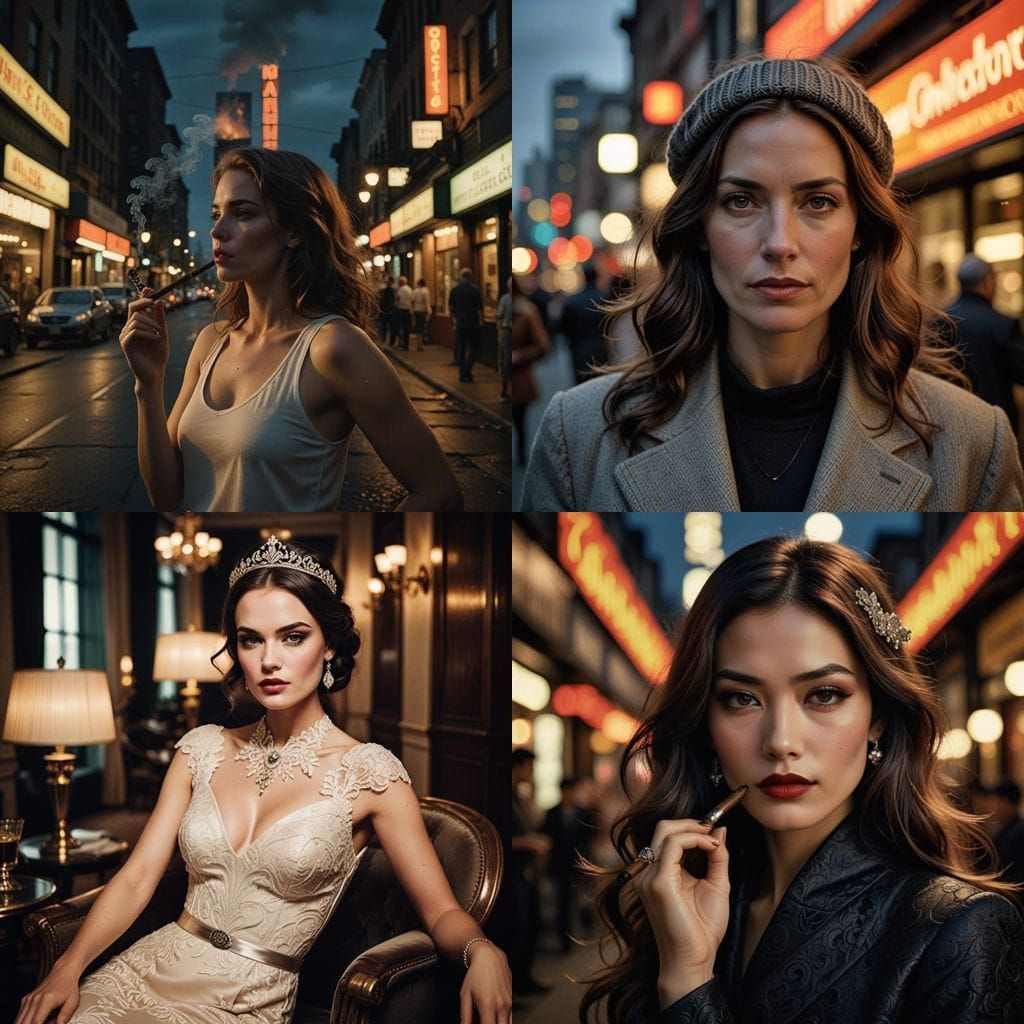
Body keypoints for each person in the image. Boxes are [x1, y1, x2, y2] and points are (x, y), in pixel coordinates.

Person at [18, 536, 511, 1024]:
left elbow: (441, 912)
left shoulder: (370, 773)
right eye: (250, 639)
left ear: (329, 645)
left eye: (293, 637)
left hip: (243, 1002)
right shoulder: (200, 749)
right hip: (145, 968)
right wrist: (67, 968)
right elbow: (137, 877)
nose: (268, 660)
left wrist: (482, 950)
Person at [522, 55, 1024, 511]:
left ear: (860, 228)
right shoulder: (578, 436)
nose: (780, 242)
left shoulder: (974, 441)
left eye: (819, 202)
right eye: (741, 201)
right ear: (699, 227)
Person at [578, 537, 1023, 1024]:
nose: (781, 741)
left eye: (825, 695)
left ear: (877, 717)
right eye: (742, 698)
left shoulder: (960, 927)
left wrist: (687, 983)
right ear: (705, 722)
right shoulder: (683, 899)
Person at [119, 148, 462, 512]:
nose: (218, 231)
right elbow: (165, 495)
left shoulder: (334, 347)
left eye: (243, 214)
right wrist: (148, 384)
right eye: (216, 215)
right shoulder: (211, 341)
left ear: (294, 231)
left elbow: (439, 493)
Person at [936, 255, 1024, 435]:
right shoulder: (1002, 324)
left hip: (951, 419)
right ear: (987, 281)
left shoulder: (939, 320)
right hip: (996, 421)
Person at [511, 748, 552, 998]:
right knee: (518, 926)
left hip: (527, 870)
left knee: (529, 925)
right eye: (529, 767)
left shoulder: (521, 796)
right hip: (514, 871)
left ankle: (525, 978)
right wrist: (527, 842)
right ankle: (515, 984)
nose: (531, 772)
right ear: (518, 766)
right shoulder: (509, 797)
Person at [543, 778, 596, 951]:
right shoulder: (552, 812)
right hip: (560, 865)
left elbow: (590, 838)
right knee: (563, 903)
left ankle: (587, 928)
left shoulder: (584, 812)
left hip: (579, 864)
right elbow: (547, 837)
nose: (568, 795)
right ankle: (565, 940)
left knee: (582, 900)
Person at [511, 278, 551, 466]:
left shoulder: (525, 311)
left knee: (519, 420)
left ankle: (521, 455)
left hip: (518, 377)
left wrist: (520, 355)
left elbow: (542, 345)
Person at [557, 263, 609, 385]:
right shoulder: (605, 298)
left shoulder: (572, 301)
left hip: (579, 351)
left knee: (583, 386)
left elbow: (563, 327)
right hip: (603, 349)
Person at [448, 268, 484, 383]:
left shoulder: (455, 290)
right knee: (474, 348)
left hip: (460, 323)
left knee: (461, 348)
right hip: (473, 323)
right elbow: (479, 309)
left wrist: (453, 321)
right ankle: (467, 371)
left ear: (461, 276)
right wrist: (481, 321)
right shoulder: (475, 290)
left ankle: (462, 372)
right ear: (470, 277)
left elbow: (451, 308)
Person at [990, 780, 1024, 886]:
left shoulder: (1019, 832)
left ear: (1005, 802)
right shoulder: (1007, 828)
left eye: (995, 801)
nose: (993, 807)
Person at [497, 277, 512, 400]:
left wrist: (499, 332)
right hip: (507, 331)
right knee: (506, 361)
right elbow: (499, 316)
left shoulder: (505, 298)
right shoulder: (506, 299)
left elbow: (499, 316)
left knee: (506, 360)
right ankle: (505, 389)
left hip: (507, 331)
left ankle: (505, 389)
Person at [394, 275, 413, 350]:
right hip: (408, 310)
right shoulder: (409, 289)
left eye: (399, 281)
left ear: (401, 282)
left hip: (401, 310)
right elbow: (412, 300)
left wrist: (395, 305)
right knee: (406, 328)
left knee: (399, 327)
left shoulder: (401, 289)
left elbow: (398, 299)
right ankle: (406, 345)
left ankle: (401, 343)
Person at [412, 278, 432, 350]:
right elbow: (426, 302)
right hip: (423, 311)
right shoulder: (425, 291)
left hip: (416, 310)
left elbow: (412, 301)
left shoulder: (415, 291)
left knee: (418, 328)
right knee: (423, 327)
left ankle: (419, 343)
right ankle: (422, 343)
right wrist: (429, 311)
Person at [377, 276, 395, 345]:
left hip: (386, 311)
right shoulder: (388, 290)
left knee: (385, 326)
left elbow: (386, 301)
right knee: (388, 327)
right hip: (387, 311)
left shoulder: (387, 290)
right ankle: (388, 341)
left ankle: (385, 340)